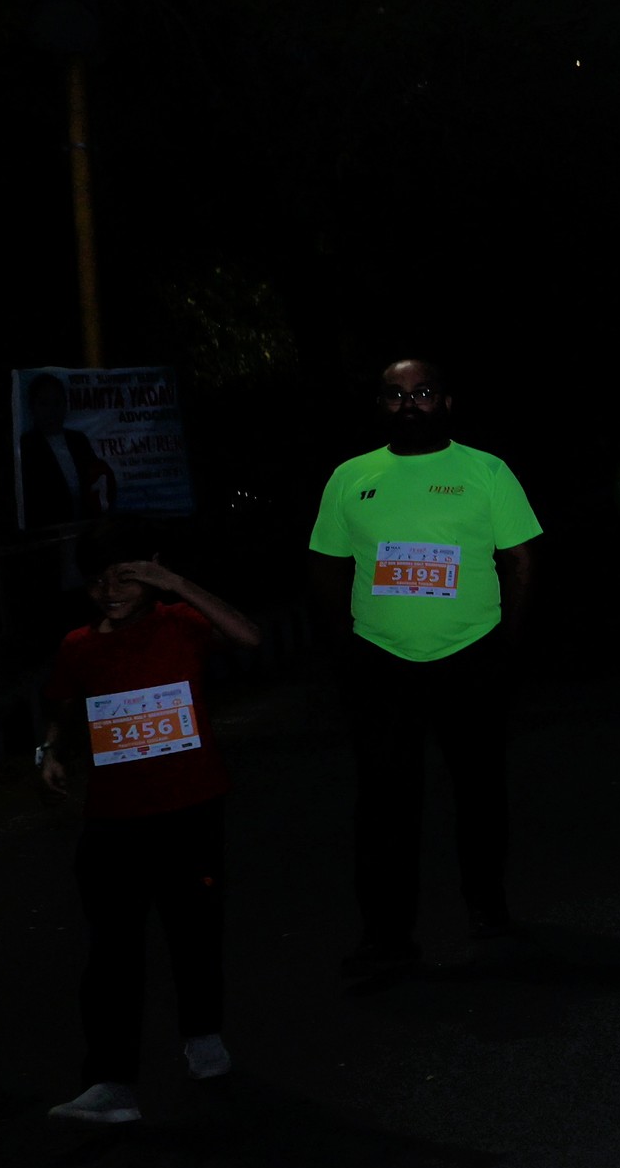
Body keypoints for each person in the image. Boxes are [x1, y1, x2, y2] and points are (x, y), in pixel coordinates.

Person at [307, 358, 542, 973]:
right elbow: (326, 565)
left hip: (472, 656)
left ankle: (487, 904)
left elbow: (521, 561)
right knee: (384, 801)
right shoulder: (350, 477)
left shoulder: (487, 471)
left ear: (447, 402)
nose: (409, 404)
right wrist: (346, 646)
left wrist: (506, 650)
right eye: (395, 395)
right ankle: (385, 934)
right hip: (381, 664)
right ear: (379, 405)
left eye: (423, 393)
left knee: (480, 789)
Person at [37, 529, 264, 1123]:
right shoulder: (78, 644)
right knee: (111, 951)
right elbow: (64, 702)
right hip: (113, 820)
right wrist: (51, 750)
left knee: (194, 931)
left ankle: (203, 1037)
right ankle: (111, 1083)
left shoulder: (180, 622)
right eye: (97, 581)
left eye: (126, 577)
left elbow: (248, 636)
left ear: (151, 573)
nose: (110, 591)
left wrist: (174, 583)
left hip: (192, 808)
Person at [17, 372, 114, 530]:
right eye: (44, 403)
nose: (51, 410)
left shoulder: (78, 440)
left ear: (64, 405)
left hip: (85, 527)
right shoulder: (26, 446)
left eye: (57, 402)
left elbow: (96, 480)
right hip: (49, 531)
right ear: (32, 407)